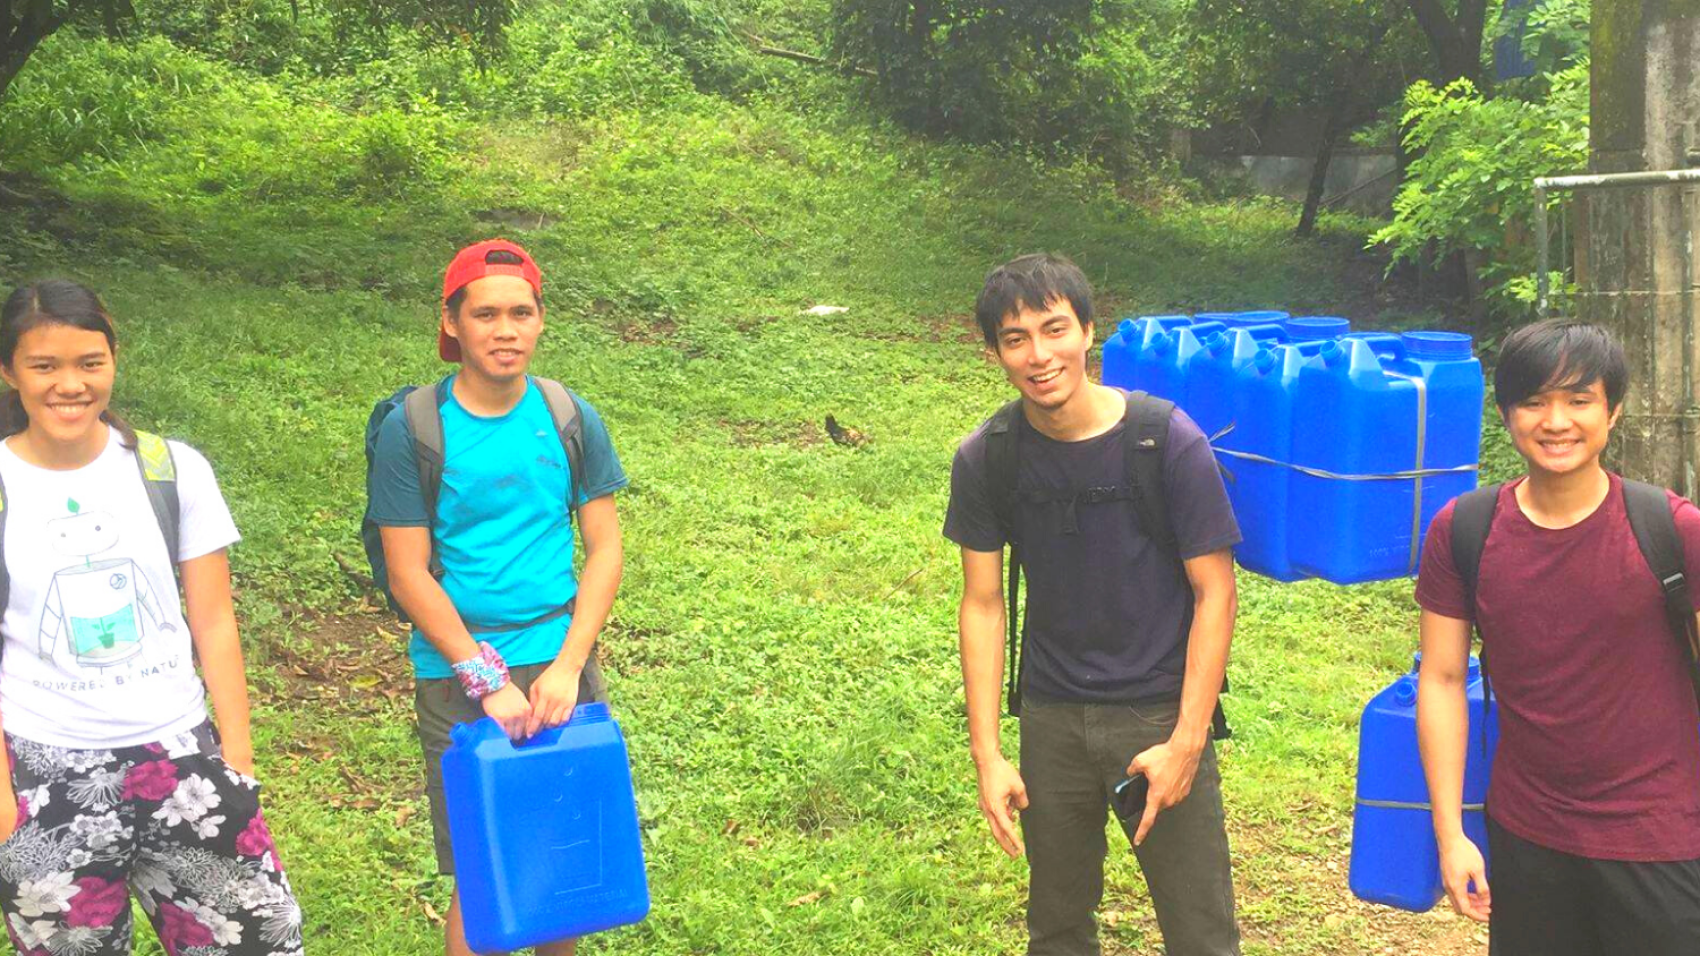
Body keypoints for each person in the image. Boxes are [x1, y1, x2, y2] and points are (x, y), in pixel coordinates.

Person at [944, 254, 1242, 956]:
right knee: (1055, 929)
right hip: (1050, 717)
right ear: (993, 352)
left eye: (1055, 329)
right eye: (1016, 339)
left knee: (1201, 934)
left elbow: (1215, 592)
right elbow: (982, 604)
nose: (1040, 355)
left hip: (1158, 713)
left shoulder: (1166, 440)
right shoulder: (988, 457)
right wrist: (988, 752)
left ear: (1088, 330)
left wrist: (1187, 741)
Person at [0, 279, 303, 955]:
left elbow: (214, 620)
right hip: (45, 774)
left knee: (256, 941)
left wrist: (237, 753)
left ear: (114, 361)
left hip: (185, 756)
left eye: (89, 363)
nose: (69, 385)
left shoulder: (171, 470)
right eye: (44, 366)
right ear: (9, 371)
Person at [367, 239, 627, 956]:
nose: (504, 330)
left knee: (566, 856)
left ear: (542, 320)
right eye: (485, 314)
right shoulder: (413, 429)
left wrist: (570, 665)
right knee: (486, 869)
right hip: (457, 671)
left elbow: (604, 549)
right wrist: (485, 681)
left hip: (558, 658)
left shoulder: (569, 415)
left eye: (521, 312)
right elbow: (407, 572)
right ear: (451, 323)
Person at [1415, 320, 1700, 955]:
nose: (1556, 421)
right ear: (1506, 412)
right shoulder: (1465, 530)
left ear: (1613, 411)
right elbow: (1439, 679)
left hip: (1661, 840)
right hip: (1528, 838)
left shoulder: (1670, 529)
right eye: (1535, 400)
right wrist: (1450, 832)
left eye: (1579, 400)